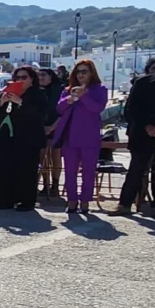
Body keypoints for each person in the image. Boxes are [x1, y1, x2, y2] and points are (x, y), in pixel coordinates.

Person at [110, 48, 155, 216]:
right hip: (143, 134)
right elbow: (131, 109)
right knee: (136, 169)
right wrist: (147, 126)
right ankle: (124, 204)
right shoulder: (142, 83)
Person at [54, 59, 108, 214]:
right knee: (69, 171)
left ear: (92, 73)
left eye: (84, 71)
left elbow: (97, 108)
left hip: (90, 137)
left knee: (89, 172)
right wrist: (70, 99)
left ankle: (85, 201)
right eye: (78, 71)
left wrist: (84, 96)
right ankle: (72, 201)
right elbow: (59, 108)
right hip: (70, 137)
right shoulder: (68, 90)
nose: (81, 75)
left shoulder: (100, 89)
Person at [0, 66, 47, 211]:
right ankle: (3, 200)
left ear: (32, 79)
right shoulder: (7, 91)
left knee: (26, 169)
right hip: (5, 136)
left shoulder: (38, 93)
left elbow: (41, 114)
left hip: (28, 138)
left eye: (24, 77)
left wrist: (20, 102)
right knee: (3, 168)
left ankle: (26, 201)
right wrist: (1, 102)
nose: (20, 80)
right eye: (17, 78)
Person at [36, 67, 64, 199]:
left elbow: (63, 112)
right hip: (40, 128)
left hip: (57, 127)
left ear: (51, 76)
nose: (40, 77)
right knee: (42, 157)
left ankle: (55, 185)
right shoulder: (37, 91)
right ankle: (45, 185)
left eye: (43, 75)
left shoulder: (59, 90)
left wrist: (52, 127)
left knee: (55, 156)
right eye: (39, 75)